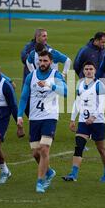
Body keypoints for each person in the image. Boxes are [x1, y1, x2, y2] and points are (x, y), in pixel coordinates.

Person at [17, 50, 68, 193]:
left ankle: (40, 181)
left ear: (51, 62)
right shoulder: (31, 76)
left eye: (46, 61)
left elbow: (65, 92)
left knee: (44, 149)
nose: (43, 63)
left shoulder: (55, 75)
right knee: (35, 153)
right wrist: (20, 116)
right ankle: (49, 172)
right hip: (34, 118)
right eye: (40, 60)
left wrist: (50, 85)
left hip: (49, 117)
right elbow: (24, 97)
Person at [62, 61, 105, 182]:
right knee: (79, 145)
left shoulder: (99, 85)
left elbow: (103, 104)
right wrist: (73, 118)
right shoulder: (80, 84)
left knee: (101, 149)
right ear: (83, 71)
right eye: (86, 69)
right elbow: (77, 102)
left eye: (91, 69)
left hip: (98, 122)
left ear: (95, 71)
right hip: (83, 121)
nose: (88, 71)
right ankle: (73, 174)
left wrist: (94, 117)